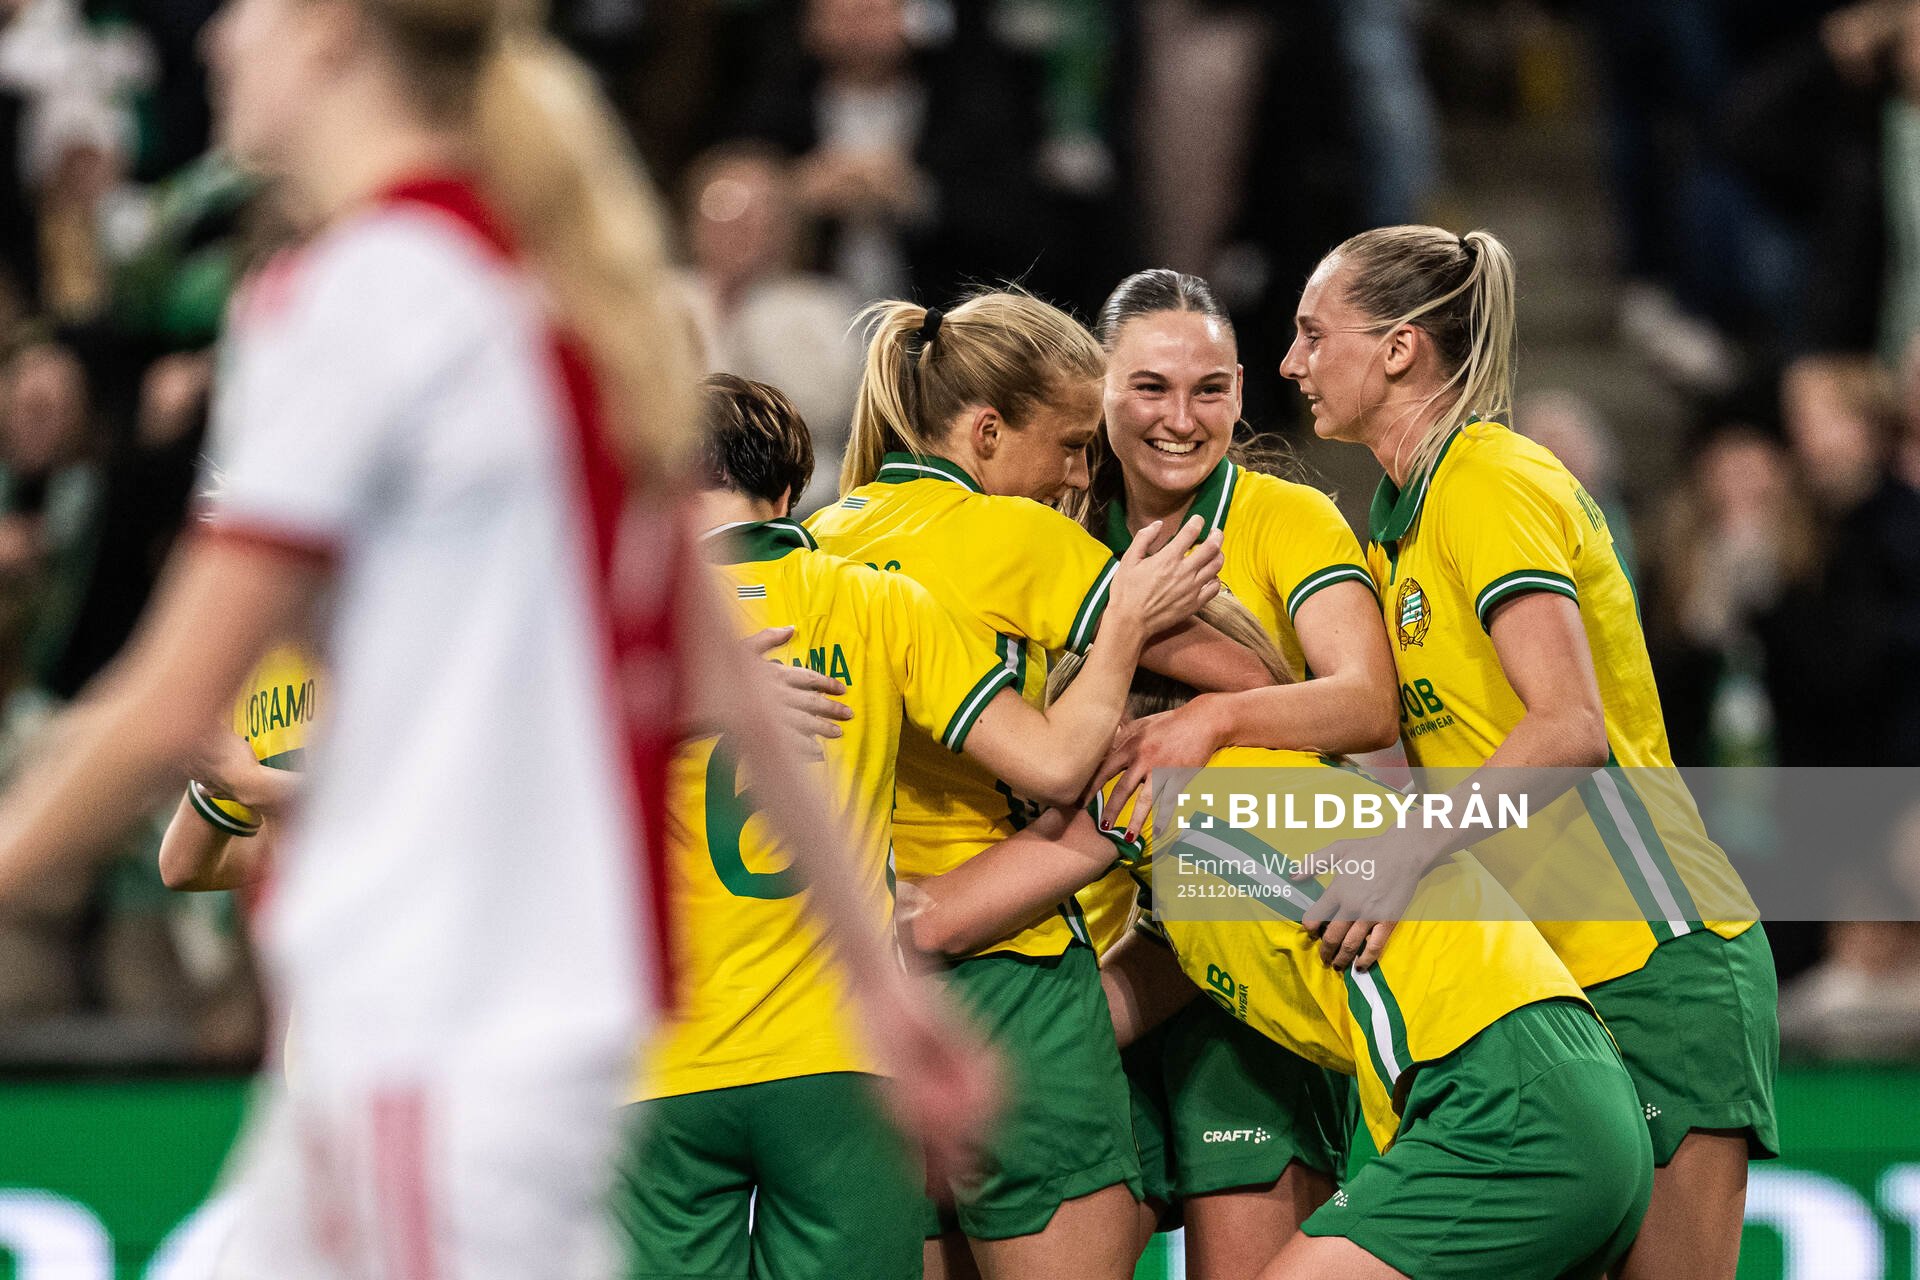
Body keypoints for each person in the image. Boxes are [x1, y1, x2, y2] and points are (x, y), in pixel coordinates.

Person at [0, 0, 995, 1270]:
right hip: (492, 1025)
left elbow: (165, 699)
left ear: (332, 34)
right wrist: (883, 982)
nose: (213, 39)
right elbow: (712, 659)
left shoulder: (363, 298)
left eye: (248, 9)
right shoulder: (547, 288)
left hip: (436, 1022)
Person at [615, 374, 1221, 1279]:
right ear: (790, 490)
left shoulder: (613, 633)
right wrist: (1126, 623)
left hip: (655, 1071)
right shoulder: (872, 601)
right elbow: (1058, 763)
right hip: (842, 1061)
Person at [1280, 224, 1778, 1279]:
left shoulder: (1490, 481)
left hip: (1656, 954)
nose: (1291, 363)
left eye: (1314, 335)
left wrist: (1401, 851)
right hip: (1550, 982)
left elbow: (1567, 729)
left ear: (1400, 348)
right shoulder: (1398, 525)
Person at [901, 593, 1655, 1279]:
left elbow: (932, 918)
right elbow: (1110, 1004)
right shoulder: (1236, 836)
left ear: (1131, 731)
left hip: (1504, 1110)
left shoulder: (1183, 801)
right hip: (1573, 1093)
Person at [809, 289, 1261, 1280]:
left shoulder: (825, 540)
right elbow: (1247, 680)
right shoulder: (1014, 536)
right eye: (1069, 446)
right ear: (985, 432)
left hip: (857, 992)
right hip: (1012, 980)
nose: (1079, 477)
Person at [1069, 268, 1400, 1277]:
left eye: (1209, 389)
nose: (1182, 419)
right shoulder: (1051, 529)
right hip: (1096, 963)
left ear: (1243, 390)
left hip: (1249, 972)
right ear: (1097, 386)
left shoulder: (1287, 517)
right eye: (1150, 387)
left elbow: (1367, 700)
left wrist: (1215, 716)